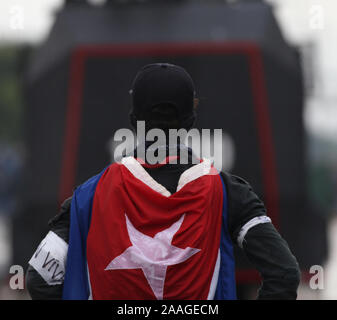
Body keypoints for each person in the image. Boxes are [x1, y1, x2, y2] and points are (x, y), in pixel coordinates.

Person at [26, 63, 300, 300]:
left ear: (134, 120)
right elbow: (284, 273)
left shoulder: (89, 196)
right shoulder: (230, 193)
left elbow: (40, 277)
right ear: (191, 120)